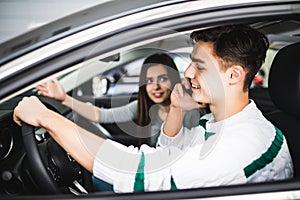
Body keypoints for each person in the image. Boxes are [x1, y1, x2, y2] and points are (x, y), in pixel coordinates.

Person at [13, 25, 293, 193]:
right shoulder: (217, 124)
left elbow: (138, 172)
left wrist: (46, 117)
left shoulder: (238, 145)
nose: (188, 73)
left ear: (233, 76)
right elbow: (165, 155)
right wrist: (176, 110)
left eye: (200, 66)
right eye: (190, 62)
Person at [36, 53, 203, 147]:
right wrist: (64, 98)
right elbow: (101, 115)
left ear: (174, 79)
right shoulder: (141, 107)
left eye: (162, 79)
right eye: (149, 81)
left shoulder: (190, 113)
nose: (155, 87)